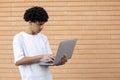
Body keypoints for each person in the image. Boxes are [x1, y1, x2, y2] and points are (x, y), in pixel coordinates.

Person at [13, 6, 67, 80]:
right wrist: (41, 56)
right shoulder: (19, 38)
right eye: (39, 24)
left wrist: (59, 62)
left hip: (47, 78)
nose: (42, 27)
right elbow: (18, 61)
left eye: (43, 24)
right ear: (30, 22)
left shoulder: (43, 38)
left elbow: (47, 60)